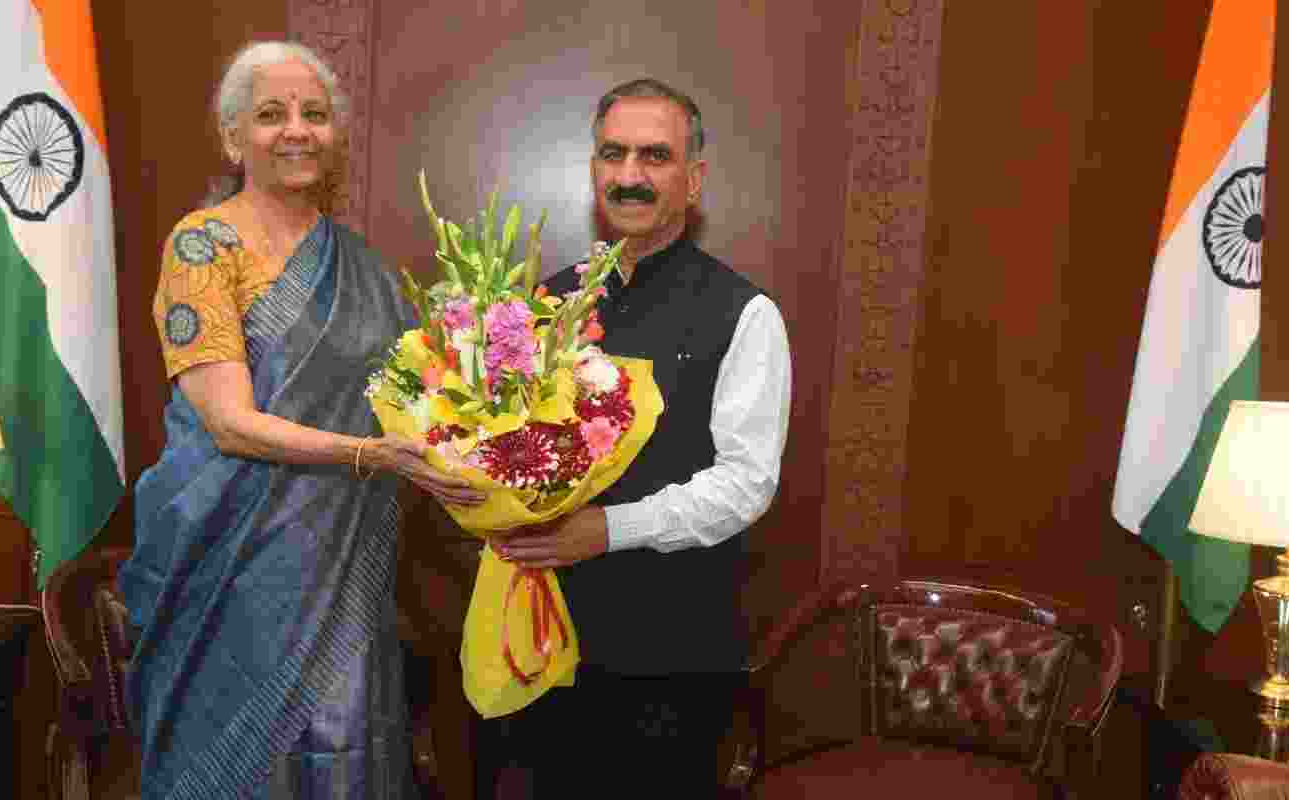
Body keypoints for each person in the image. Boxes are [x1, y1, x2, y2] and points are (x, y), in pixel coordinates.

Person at [119, 41, 483, 800]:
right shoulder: (202, 245)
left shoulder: (361, 265)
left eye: (314, 115)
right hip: (227, 555)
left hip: (345, 551)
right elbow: (229, 424)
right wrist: (374, 455)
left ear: (335, 137)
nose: (297, 130)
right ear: (232, 138)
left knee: (345, 736)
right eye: (271, 114)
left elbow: (418, 397)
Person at [493, 78, 793, 796]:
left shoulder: (745, 313)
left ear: (694, 180)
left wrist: (609, 530)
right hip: (547, 642)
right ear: (594, 170)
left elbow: (745, 483)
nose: (630, 175)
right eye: (614, 154)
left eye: (655, 157)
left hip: (673, 660)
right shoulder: (545, 306)